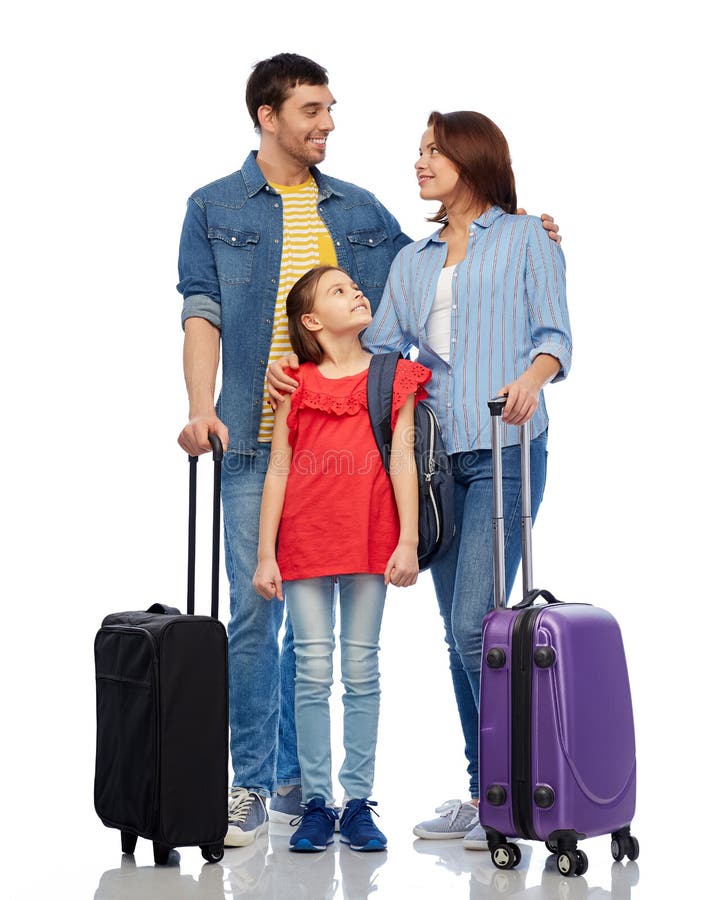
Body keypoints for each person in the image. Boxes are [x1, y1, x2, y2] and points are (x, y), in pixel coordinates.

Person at [176, 49, 562, 847]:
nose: (329, 124)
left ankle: (381, 789)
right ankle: (263, 785)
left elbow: (399, 312)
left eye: (330, 109)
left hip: (372, 450)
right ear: (268, 116)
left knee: (400, 638)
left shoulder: (361, 213)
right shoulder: (213, 206)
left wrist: (533, 235)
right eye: (312, 110)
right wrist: (198, 406)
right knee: (262, 616)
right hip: (258, 432)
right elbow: (203, 310)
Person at [266, 110, 572, 851]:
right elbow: (366, 344)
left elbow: (555, 337)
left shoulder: (528, 239)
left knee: (477, 625)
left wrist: (533, 378)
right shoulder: (414, 262)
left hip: (506, 446)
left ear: (470, 158)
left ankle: (509, 787)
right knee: (456, 630)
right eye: (420, 151)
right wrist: (296, 367)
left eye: (432, 151)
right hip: (438, 464)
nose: (420, 162)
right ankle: (484, 788)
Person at [253, 265, 430, 852]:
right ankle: (315, 804)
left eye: (356, 285)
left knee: (360, 671)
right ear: (311, 321)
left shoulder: (393, 377)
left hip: (369, 541)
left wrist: (407, 540)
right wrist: (265, 555)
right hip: (304, 544)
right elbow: (278, 468)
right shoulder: (293, 385)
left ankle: (357, 802)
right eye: (339, 290)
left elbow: (403, 458)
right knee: (310, 673)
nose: (356, 291)